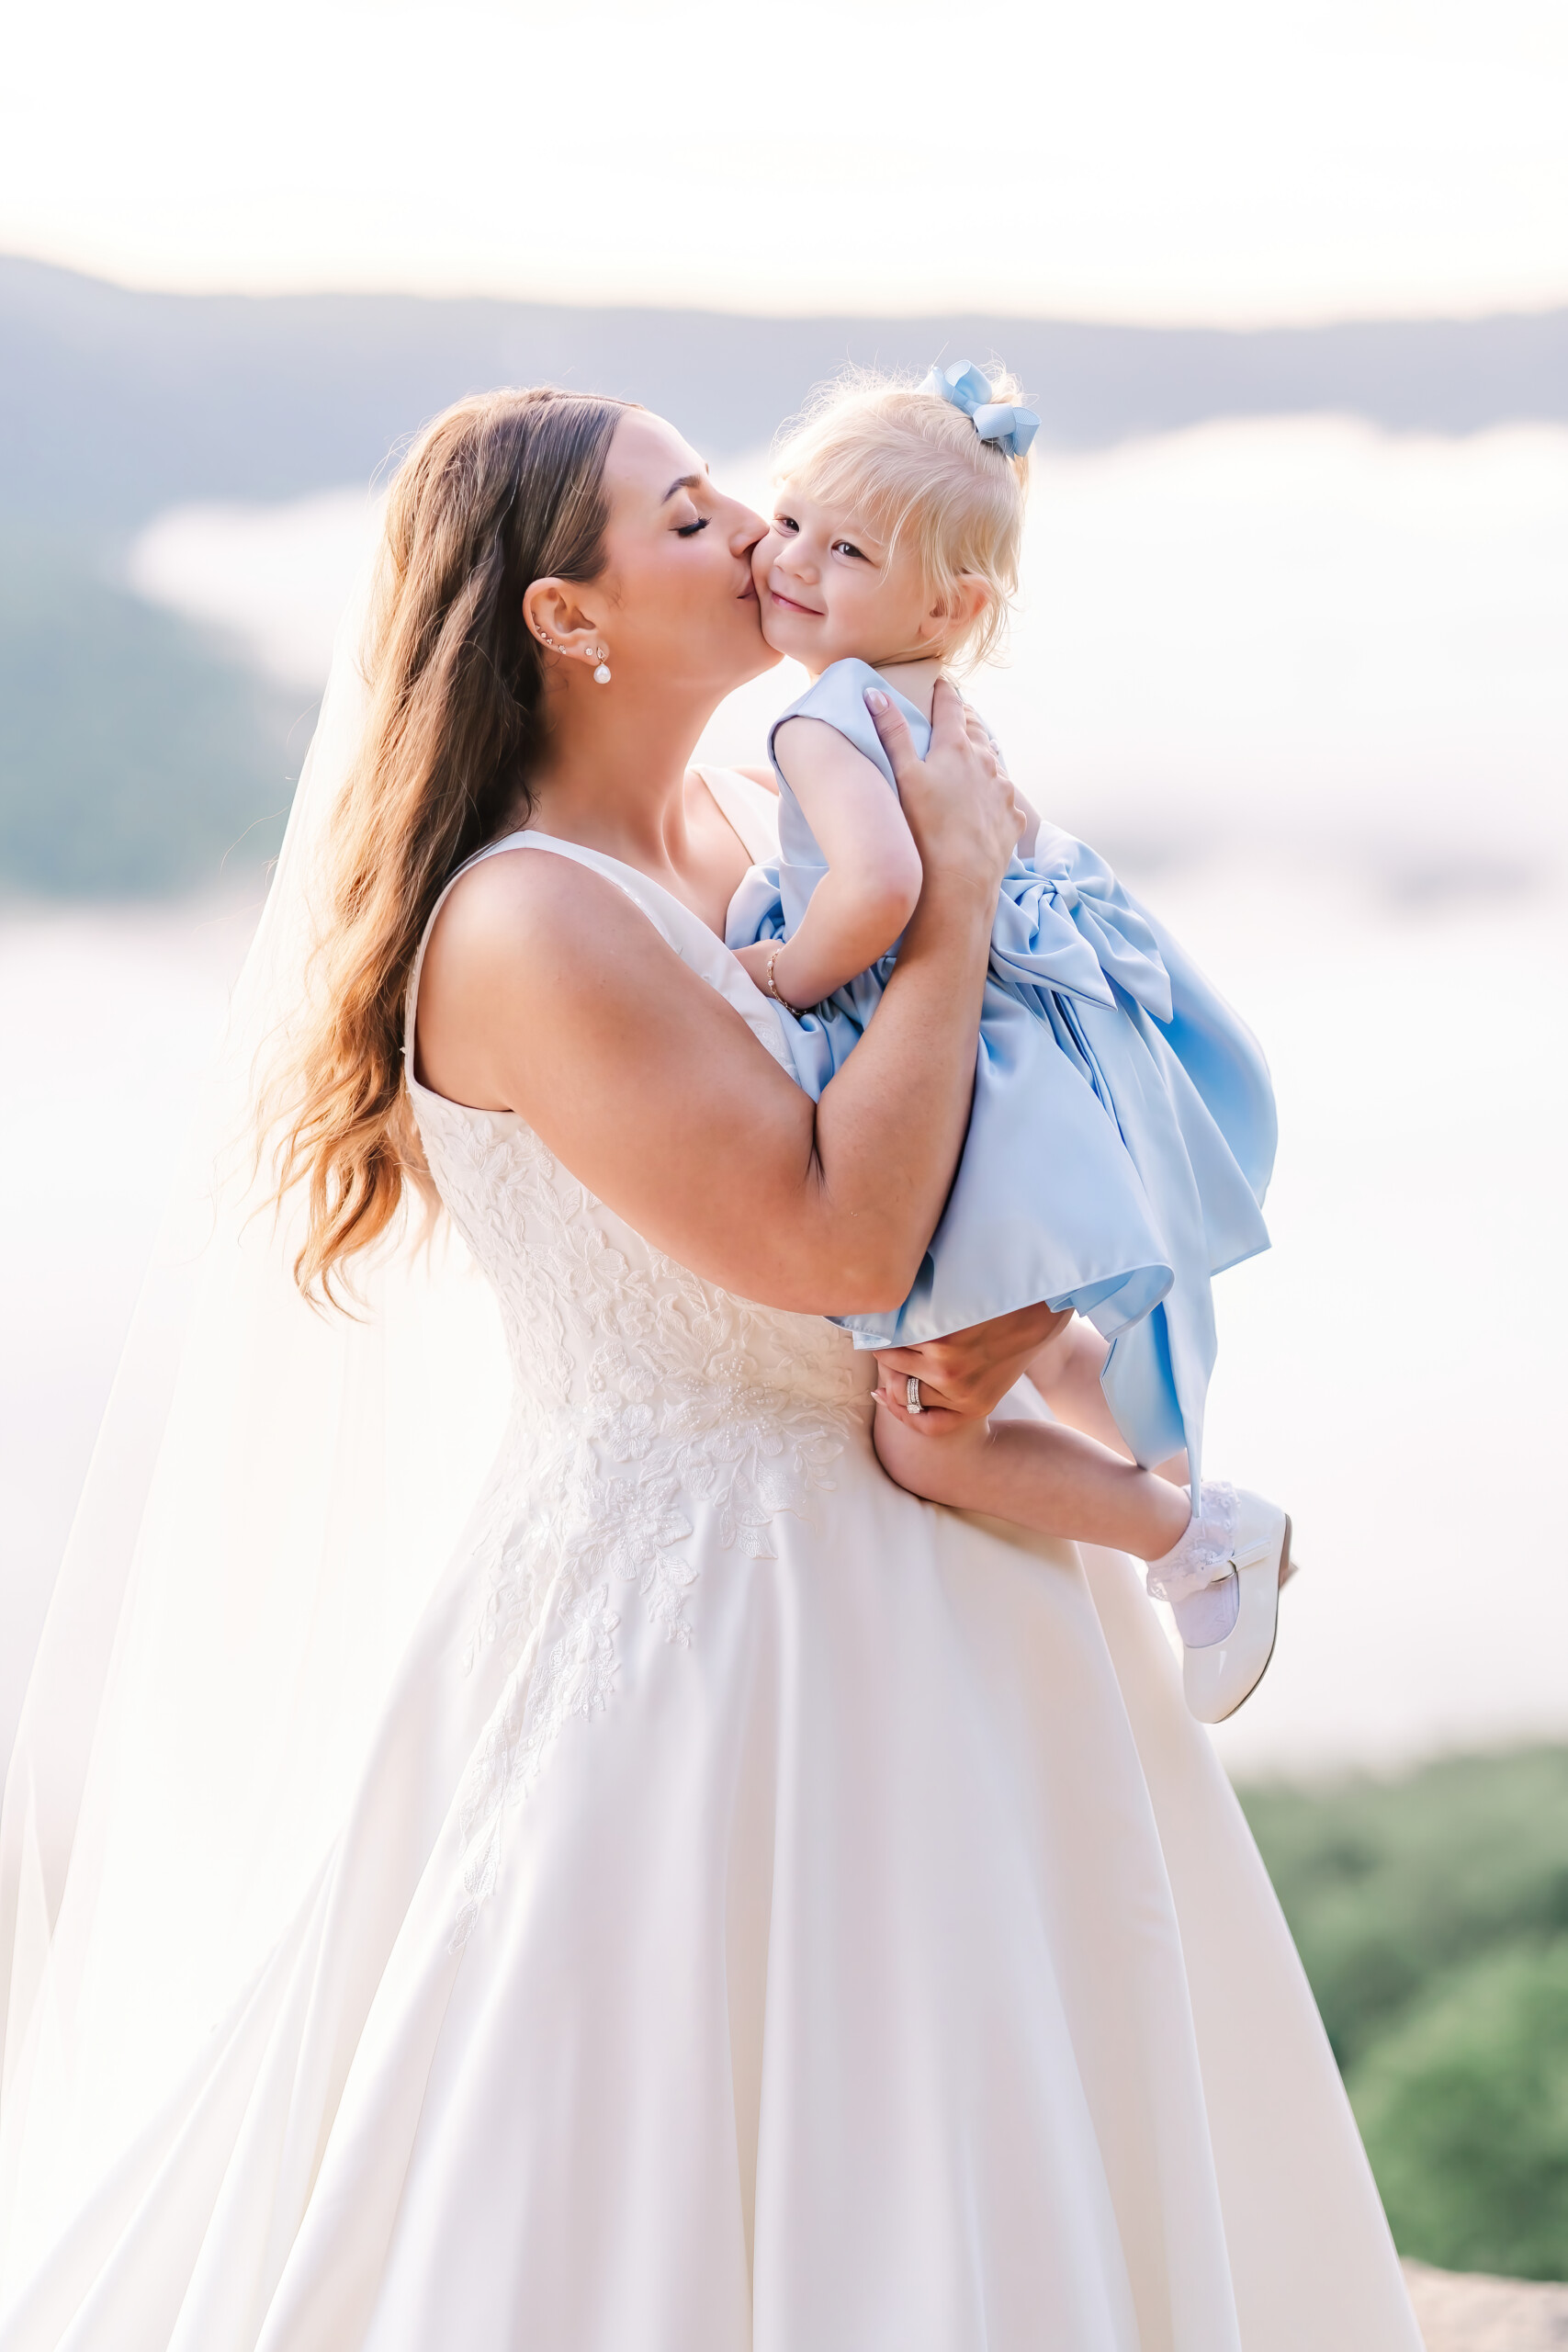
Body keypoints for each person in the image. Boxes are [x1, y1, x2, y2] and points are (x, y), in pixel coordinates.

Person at [0, 386, 1422, 2349]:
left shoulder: (738, 827)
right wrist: (948, 909)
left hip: (954, 1575)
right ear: (568, 617)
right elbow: (834, 1240)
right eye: (682, 515)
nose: (752, 522)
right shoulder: (519, 918)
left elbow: (942, 1189)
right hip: (709, 1617)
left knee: (1019, 2103)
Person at [734, 359, 1292, 1723]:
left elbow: (875, 894)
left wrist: (770, 973)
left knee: (925, 1441)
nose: (792, 559)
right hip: (1027, 1047)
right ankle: (1190, 1487)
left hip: (956, 1066)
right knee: (1034, 1344)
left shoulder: (816, 715)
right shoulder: (932, 708)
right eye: (793, 518)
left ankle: (1192, 1537)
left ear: (952, 605)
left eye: (847, 548)